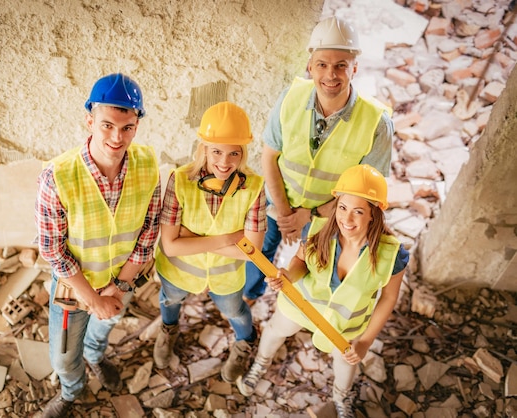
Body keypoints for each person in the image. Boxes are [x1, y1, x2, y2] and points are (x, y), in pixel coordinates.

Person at [237, 165, 409, 418]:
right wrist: (288, 276)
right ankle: (261, 363)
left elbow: (389, 298)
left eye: (358, 211)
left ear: (374, 213)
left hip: (345, 321)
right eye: (342, 208)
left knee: (347, 361)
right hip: (302, 303)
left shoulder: (393, 254)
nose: (346, 219)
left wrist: (364, 342)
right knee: (275, 330)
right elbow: (300, 261)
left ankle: (341, 396)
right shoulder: (318, 230)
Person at [35, 73, 161, 418]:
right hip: (75, 290)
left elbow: (148, 234)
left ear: (137, 125)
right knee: (62, 355)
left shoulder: (148, 165)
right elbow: (52, 250)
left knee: (103, 329)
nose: (117, 137)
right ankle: (71, 391)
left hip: (121, 283)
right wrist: (93, 298)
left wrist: (118, 289)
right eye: (107, 125)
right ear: (90, 120)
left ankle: (94, 355)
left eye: (127, 127)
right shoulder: (57, 176)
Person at [243, 16, 395, 303]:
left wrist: (309, 216)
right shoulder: (290, 97)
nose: (331, 75)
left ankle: (298, 313)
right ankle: (251, 295)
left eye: (341, 66)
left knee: (315, 266)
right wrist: (286, 213)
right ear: (310, 66)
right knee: (259, 252)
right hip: (278, 202)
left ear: (355, 68)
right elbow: (269, 156)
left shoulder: (377, 123)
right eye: (322, 64)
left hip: (332, 216)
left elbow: (366, 196)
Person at [153, 101, 267, 383]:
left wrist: (191, 238)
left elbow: (252, 252)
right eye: (216, 151)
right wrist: (230, 238)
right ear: (203, 147)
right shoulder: (179, 180)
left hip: (225, 279)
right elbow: (170, 246)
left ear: (243, 153)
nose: (225, 162)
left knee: (236, 312)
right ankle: (168, 330)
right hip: (177, 273)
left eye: (234, 153)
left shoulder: (253, 187)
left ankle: (244, 342)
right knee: (170, 300)